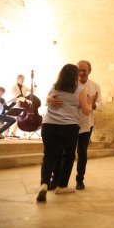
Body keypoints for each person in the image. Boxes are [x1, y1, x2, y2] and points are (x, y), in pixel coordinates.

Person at [36, 64, 94, 202]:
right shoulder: (80, 89)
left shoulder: (54, 87)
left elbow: (47, 100)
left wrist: (50, 100)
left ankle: (44, 183)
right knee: (68, 156)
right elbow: (86, 111)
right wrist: (90, 102)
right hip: (68, 127)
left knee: (49, 155)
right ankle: (62, 186)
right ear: (75, 76)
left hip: (49, 124)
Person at [47, 60, 102, 191]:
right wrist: (49, 99)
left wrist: (92, 103)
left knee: (82, 153)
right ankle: (56, 180)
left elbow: (100, 104)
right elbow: (50, 96)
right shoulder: (67, 84)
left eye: (84, 70)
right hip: (67, 125)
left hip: (85, 125)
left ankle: (79, 180)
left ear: (89, 71)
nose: (81, 72)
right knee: (60, 152)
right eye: (79, 70)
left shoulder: (95, 86)